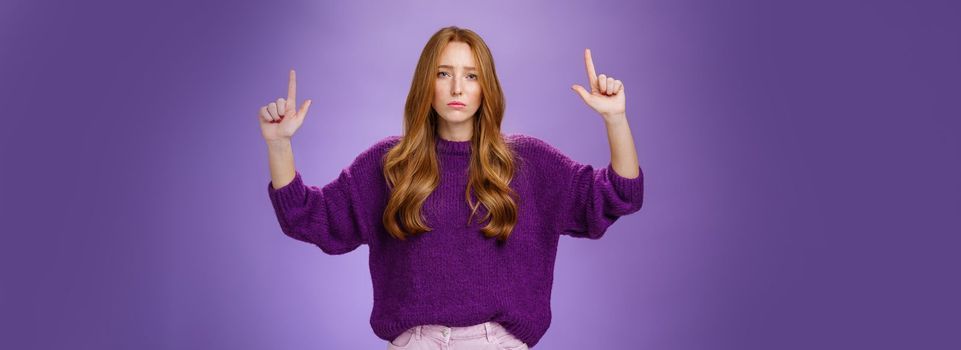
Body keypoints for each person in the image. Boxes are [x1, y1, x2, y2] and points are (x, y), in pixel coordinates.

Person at [257, 26, 643, 349]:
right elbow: (305, 216)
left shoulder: (528, 162)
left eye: (471, 75)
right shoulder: (389, 164)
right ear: (427, 83)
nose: (458, 86)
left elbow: (619, 194)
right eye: (444, 73)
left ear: (485, 86)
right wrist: (279, 144)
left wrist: (616, 119)